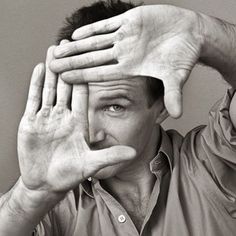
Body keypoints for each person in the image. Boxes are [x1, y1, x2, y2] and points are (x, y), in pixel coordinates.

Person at [0, 0, 236, 235]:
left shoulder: (214, 163)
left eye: (114, 107)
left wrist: (201, 32)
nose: (89, 132)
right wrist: (30, 197)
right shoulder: (48, 203)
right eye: (76, 105)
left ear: (162, 107)